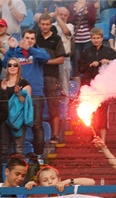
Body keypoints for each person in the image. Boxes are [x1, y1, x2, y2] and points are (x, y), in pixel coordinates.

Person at [4, 30, 50, 161]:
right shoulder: (16, 53)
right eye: (27, 38)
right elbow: (5, 64)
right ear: (22, 38)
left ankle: (39, 155)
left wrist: (29, 49)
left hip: (35, 93)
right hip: (14, 95)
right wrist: (12, 49)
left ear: (35, 41)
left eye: (32, 38)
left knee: (36, 125)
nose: (29, 40)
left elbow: (46, 58)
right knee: (13, 124)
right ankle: (12, 158)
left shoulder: (37, 52)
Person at [78, 27, 116, 142]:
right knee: (92, 112)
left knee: (103, 112)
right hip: (90, 86)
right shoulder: (86, 52)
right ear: (90, 39)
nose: (96, 40)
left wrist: (108, 62)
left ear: (102, 38)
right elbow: (80, 67)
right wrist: (91, 64)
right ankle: (94, 137)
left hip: (104, 86)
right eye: (94, 38)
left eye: (98, 38)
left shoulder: (109, 51)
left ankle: (103, 140)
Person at [36, 14, 66, 144]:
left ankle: (55, 135)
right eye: (42, 24)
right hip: (36, 75)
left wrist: (45, 61)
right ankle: (38, 137)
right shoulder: (35, 38)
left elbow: (61, 59)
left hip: (51, 76)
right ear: (39, 24)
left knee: (53, 106)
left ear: (51, 24)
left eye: (47, 24)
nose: (45, 26)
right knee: (37, 107)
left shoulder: (56, 38)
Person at [25, 165, 95, 195]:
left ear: (59, 179)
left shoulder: (66, 190)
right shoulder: (39, 194)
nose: (50, 182)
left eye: (53, 178)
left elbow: (92, 182)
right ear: (40, 184)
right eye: (45, 180)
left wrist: (68, 181)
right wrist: (30, 188)